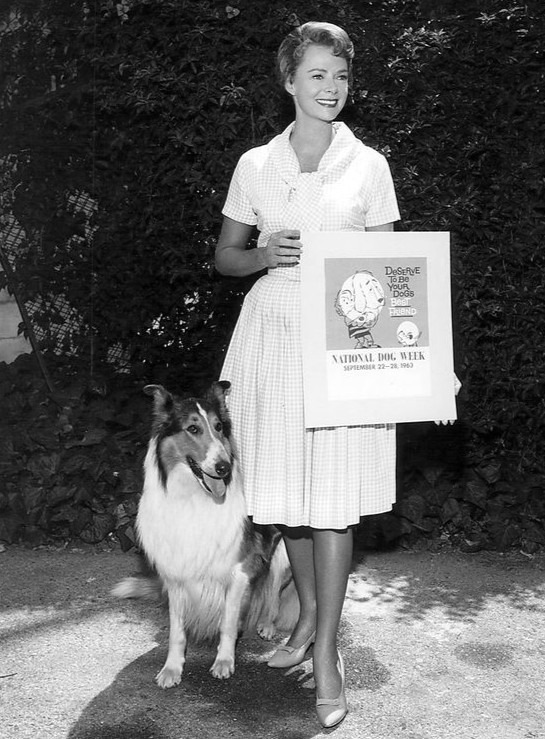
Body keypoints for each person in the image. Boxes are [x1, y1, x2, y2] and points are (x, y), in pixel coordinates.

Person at [214, 21, 400, 728]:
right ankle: (304, 625)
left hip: (345, 343)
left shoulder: (370, 166)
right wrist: (264, 254)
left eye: (341, 75)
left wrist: (417, 364)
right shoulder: (255, 165)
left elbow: (395, 275)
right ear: (288, 80)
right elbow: (225, 257)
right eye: (317, 74)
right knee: (292, 497)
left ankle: (325, 652)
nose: (331, 87)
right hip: (273, 340)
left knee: (334, 501)